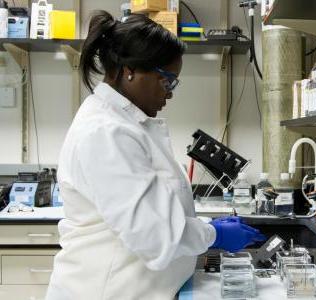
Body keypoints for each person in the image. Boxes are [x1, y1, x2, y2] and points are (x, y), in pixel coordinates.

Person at [46, 11, 265, 300]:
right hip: (106, 290)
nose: (170, 94)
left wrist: (204, 231)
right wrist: (213, 234)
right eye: (168, 81)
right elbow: (157, 236)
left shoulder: (125, 125)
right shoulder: (105, 132)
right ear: (129, 71)